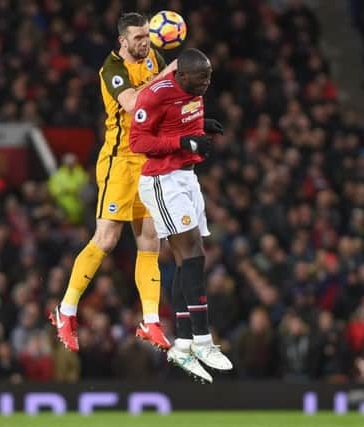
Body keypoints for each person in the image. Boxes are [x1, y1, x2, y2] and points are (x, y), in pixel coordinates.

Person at [50, 13, 177, 352]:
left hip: (149, 160)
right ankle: (66, 311)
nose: (144, 42)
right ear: (122, 40)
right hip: (119, 163)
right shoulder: (111, 69)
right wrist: (166, 76)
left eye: (147, 36)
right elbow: (134, 103)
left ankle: (150, 322)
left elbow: (165, 98)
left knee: (151, 242)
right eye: (138, 38)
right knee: (106, 239)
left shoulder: (154, 57)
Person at [129, 48, 233, 383]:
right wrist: (185, 143)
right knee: (192, 255)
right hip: (162, 180)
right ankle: (203, 340)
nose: (206, 83)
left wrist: (202, 125)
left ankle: (184, 343)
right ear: (182, 75)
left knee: (186, 260)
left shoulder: (193, 90)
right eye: (201, 78)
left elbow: (179, 121)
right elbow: (138, 141)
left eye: (210, 77)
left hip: (186, 178)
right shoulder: (154, 96)